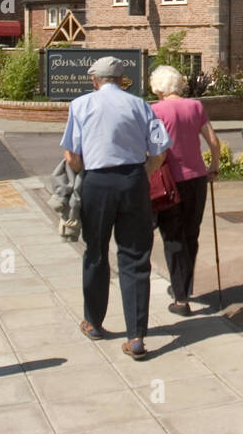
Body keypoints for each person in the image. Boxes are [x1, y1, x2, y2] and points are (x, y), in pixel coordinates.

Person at [61, 56, 172, 360]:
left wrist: (91, 174)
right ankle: (136, 336)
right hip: (134, 181)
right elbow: (160, 151)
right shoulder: (139, 105)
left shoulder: (81, 105)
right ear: (122, 80)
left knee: (96, 252)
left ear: (96, 80)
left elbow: (71, 156)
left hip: (97, 182)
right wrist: (139, 175)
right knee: (136, 258)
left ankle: (94, 323)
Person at [149, 65, 221, 316]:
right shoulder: (195, 106)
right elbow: (213, 140)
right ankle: (184, 285)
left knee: (172, 237)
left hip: (170, 182)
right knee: (191, 233)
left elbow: (154, 151)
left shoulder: (154, 111)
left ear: (158, 87)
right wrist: (213, 165)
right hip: (197, 179)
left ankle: (181, 298)